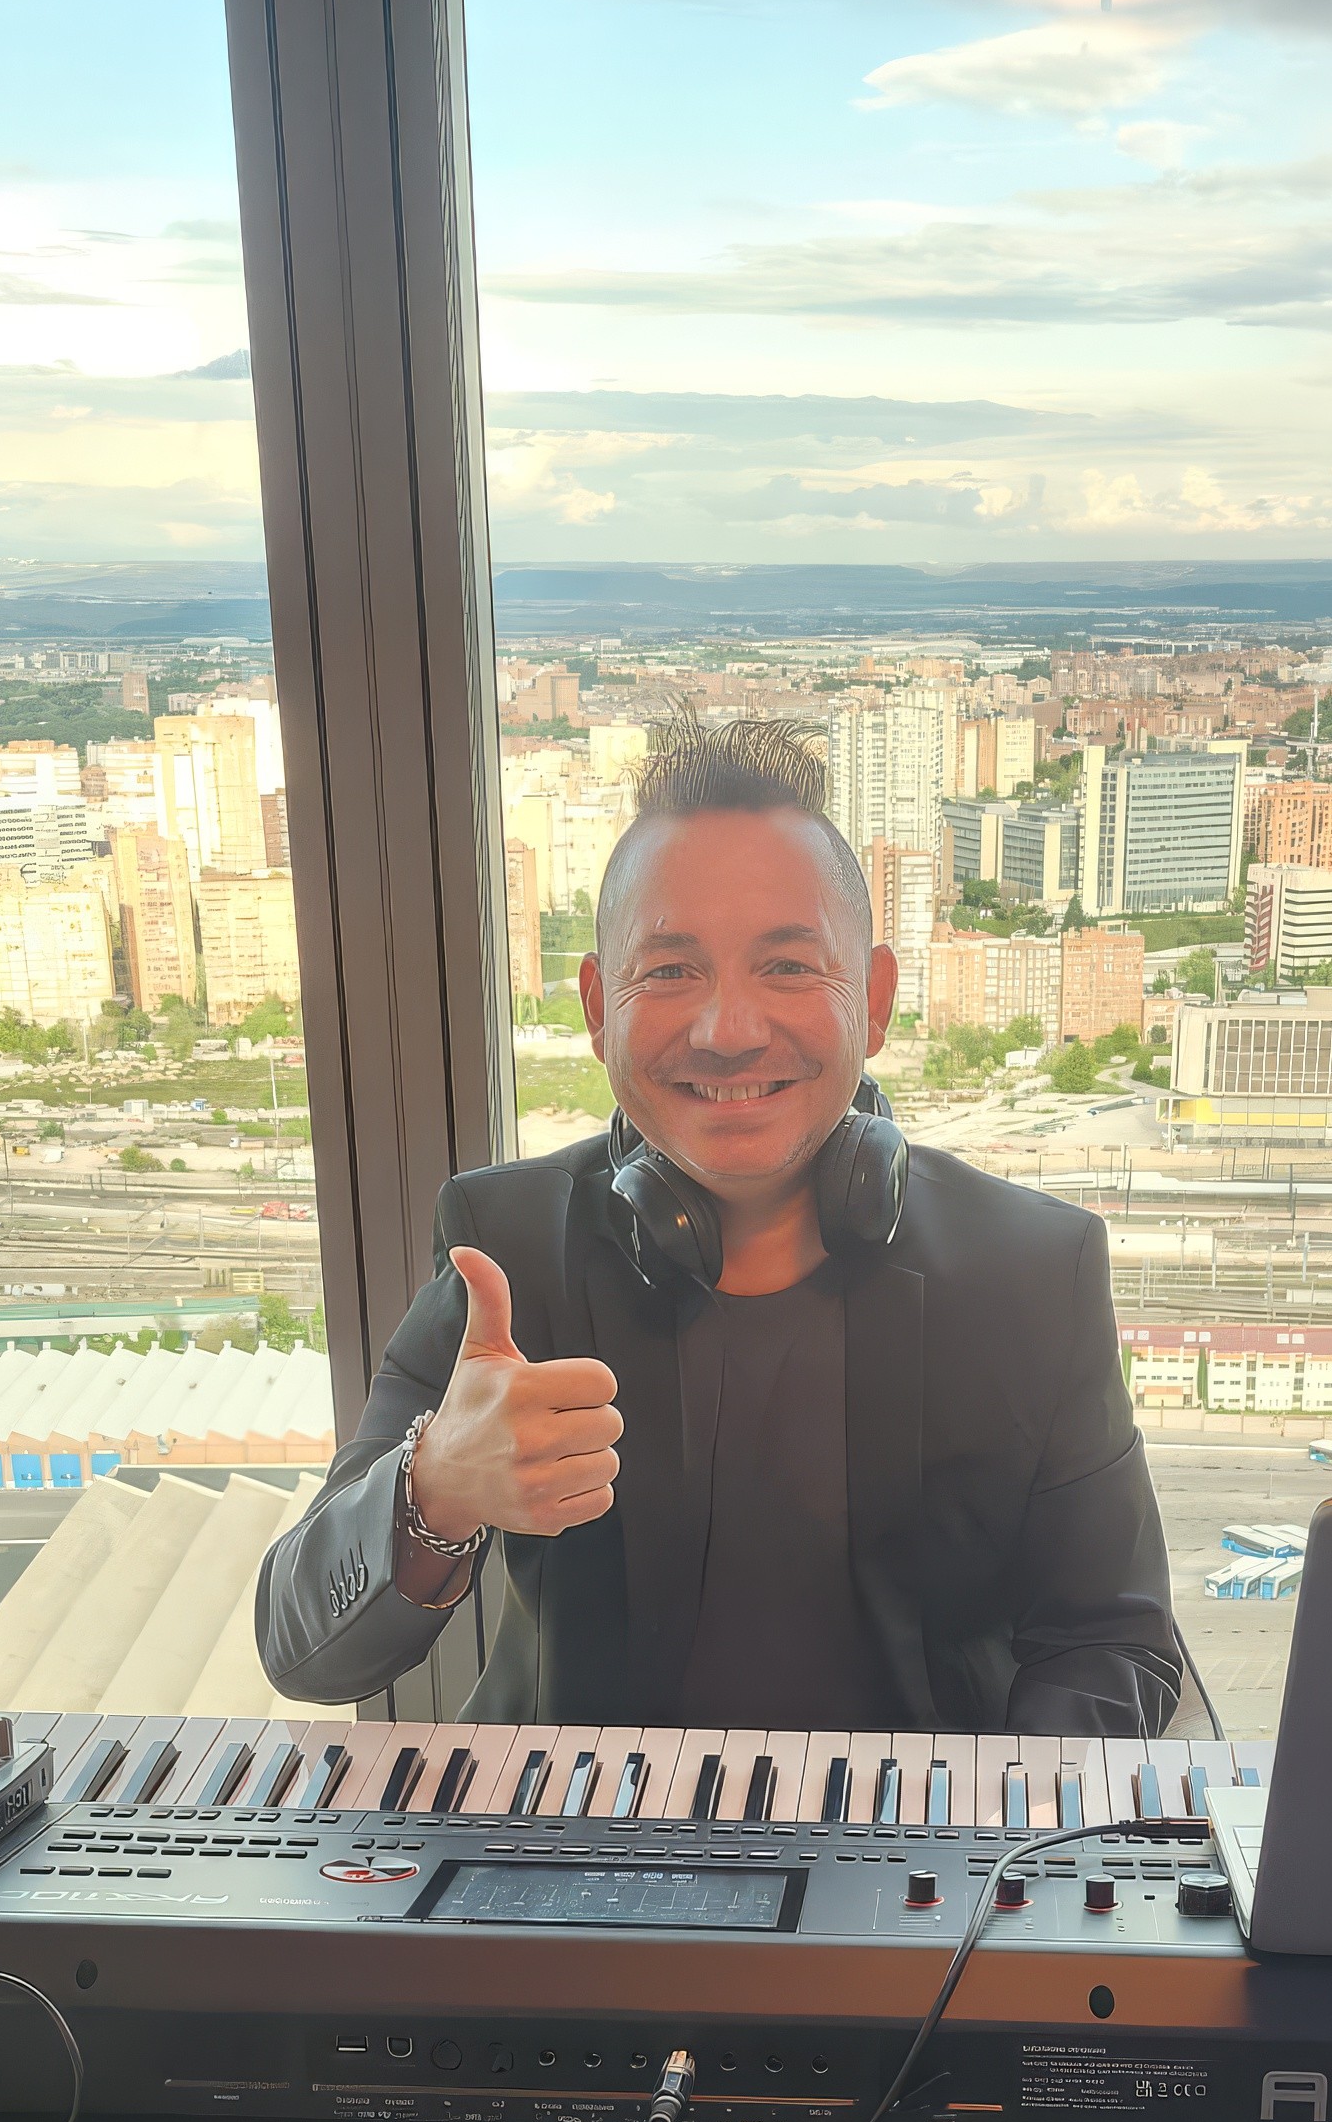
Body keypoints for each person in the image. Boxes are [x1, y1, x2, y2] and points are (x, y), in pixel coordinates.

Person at [255, 713, 1180, 1737]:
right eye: (669, 972)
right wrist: (431, 1491)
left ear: (871, 1001)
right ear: (598, 1005)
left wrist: (987, 1843)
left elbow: (1113, 1641)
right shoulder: (505, 1255)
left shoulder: (1028, 1272)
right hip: (583, 1852)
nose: (728, 1031)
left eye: (786, 967)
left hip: (922, 1865)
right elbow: (301, 1648)